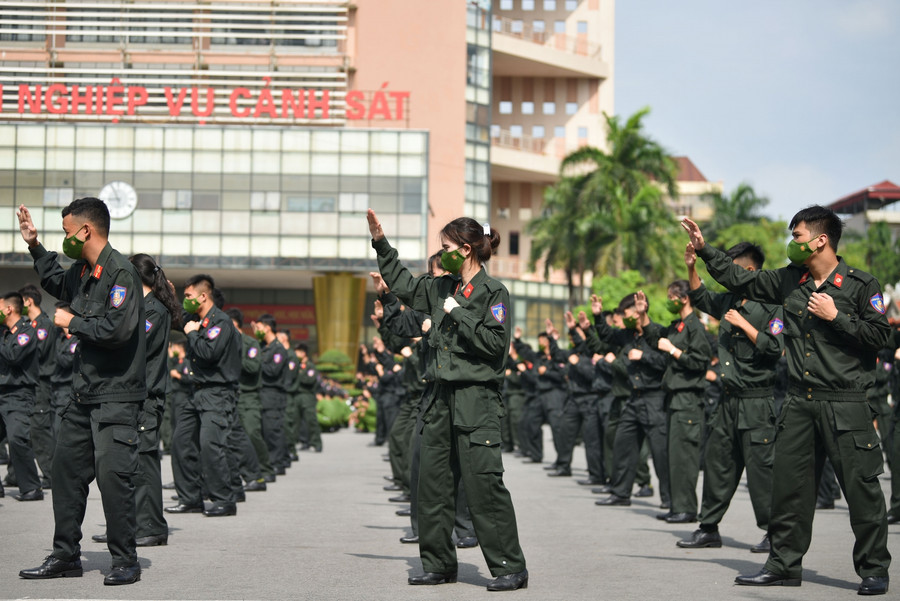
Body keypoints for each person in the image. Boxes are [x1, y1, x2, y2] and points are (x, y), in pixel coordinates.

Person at [683, 206, 891, 595]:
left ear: (820, 240)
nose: (791, 244)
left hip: (846, 403)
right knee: (789, 492)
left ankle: (874, 569)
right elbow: (739, 280)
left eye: (796, 236)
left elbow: (881, 338)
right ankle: (783, 565)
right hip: (798, 402)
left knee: (862, 492)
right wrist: (705, 249)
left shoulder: (862, 286)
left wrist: (836, 317)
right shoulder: (788, 281)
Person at [368, 209, 528, 591]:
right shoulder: (441, 288)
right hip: (439, 397)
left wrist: (459, 315)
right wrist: (380, 243)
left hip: (476, 399)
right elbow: (404, 285)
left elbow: (495, 346)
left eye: (447, 248)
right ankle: (439, 564)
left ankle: (510, 567)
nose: (443, 254)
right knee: (433, 485)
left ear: (467, 249)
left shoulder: (494, 294)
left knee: (483, 485)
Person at [17, 199, 146, 585]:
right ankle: (66, 555)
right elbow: (57, 282)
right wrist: (36, 245)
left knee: (112, 477)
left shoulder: (121, 273)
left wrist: (74, 321)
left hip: (116, 395)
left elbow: (118, 330)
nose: (66, 239)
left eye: (66, 232)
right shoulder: (82, 271)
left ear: (86, 230)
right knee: (65, 472)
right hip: (82, 393)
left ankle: (125, 560)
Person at [676, 241, 783, 552]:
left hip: (757, 401)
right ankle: (708, 527)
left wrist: (745, 325)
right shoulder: (729, 301)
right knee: (718, 463)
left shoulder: (773, 307)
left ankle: (775, 533)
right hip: (727, 400)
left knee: (762, 472)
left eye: (730, 267)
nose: (724, 274)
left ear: (749, 270)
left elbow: (775, 348)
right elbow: (700, 296)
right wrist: (692, 267)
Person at [165, 274, 241, 517]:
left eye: (188, 296)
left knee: (211, 446)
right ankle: (190, 498)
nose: (185, 301)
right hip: (195, 391)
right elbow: (176, 320)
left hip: (216, 393)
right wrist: (167, 296)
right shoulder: (195, 320)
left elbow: (209, 353)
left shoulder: (221, 322)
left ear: (203, 296)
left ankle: (224, 500)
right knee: (181, 442)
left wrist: (193, 334)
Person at [648, 280, 712, 523]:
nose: (669, 301)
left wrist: (674, 350)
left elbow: (699, 362)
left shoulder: (696, 327)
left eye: (671, 296)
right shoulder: (679, 325)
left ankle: (686, 508)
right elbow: (656, 335)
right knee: (674, 456)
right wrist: (644, 317)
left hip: (688, 400)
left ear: (684, 298)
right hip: (675, 399)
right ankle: (677, 506)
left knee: (685, 457)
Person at [0, 291, 43, 501]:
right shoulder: (4, 332)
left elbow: (13, 355)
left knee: (17, 439)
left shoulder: (26, 332)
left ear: (9, 308)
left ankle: (32, 487)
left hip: (19, 395)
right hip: (2, 393)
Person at [19, 283, 57, 485]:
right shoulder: (29, 325)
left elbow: (37, 353)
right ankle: (14, 474)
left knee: (40, 430)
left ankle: (51, 475)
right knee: (23, 430)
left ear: (29, 301)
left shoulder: (43, 326)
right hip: (28, 384)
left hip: (40, 383)